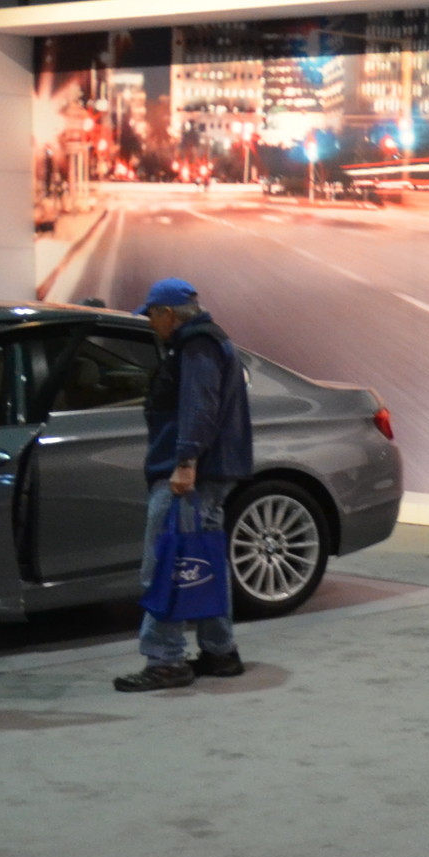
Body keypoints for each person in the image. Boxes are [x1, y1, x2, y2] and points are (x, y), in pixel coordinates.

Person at [115, 278, 255, 693]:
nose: (151, 324)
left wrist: (186, 462)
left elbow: (198, 405)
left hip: (192, 477)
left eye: (152, 316)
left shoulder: (196, 345)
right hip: (206, 474)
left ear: (168, 314)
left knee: (167, 566)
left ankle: (165, 660)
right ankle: (220, 651)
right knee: (203, 565)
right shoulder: (205, 342)